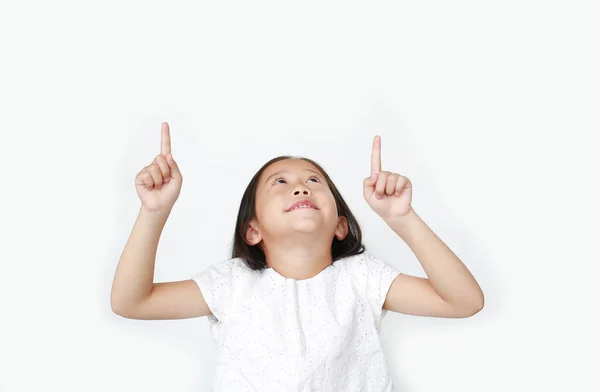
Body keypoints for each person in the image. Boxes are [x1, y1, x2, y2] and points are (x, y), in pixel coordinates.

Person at [111, 122, 484, 391]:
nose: (300, 187)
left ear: (340, 224)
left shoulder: (362, 278)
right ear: (252, 230)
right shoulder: (231, 284)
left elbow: (464, 301)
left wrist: (402, 219)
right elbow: (132, 301)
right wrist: (154, 212)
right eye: (280, 182)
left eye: (313, 181)